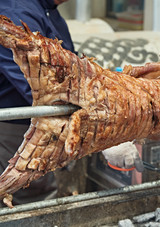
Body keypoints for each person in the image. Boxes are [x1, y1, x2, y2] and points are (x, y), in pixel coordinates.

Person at [0, 0, 74, 205]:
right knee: (31, 201)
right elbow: (38, 85)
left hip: (46, 119)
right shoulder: (16, 12)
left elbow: (71, 70)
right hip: (16, 128)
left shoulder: (49, 11)